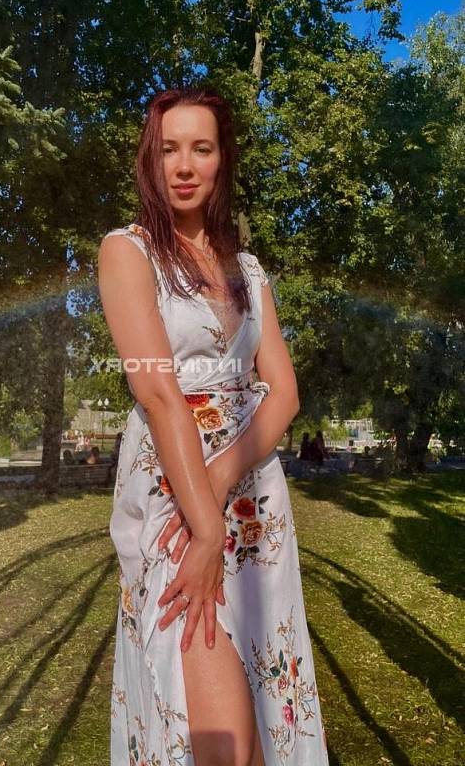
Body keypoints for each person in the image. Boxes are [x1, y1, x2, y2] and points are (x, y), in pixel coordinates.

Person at [98, 86, 329, 766]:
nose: (183, 165)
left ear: (222, 159)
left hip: (251, 493)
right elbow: (157, 392)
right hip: (175, 494)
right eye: (168, 149)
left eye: (200, 148)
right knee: (213, 720)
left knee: (260, 705)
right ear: (150, 159)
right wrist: (202, 527)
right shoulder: (127, 251)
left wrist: (225, 479)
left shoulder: (247, 270)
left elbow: (283, 393)